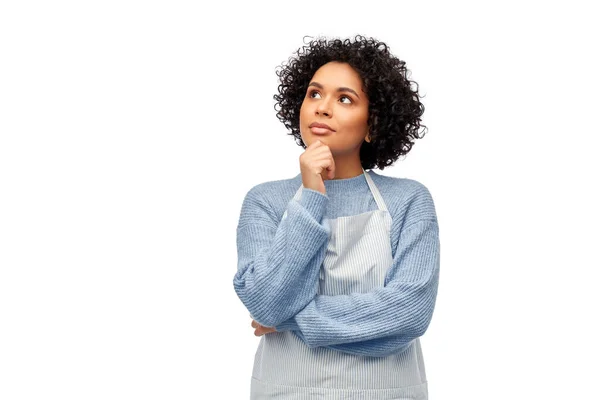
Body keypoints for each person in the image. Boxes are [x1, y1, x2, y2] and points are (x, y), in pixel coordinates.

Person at [233, 34, 440, 399]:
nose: (322, 108)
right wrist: (312, 194)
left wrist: (288, 319)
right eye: (314, 93)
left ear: (373, 123)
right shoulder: (264, 201)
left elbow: (408, 313)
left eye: (345, 99)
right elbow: (265, 299)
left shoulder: (409, 201)